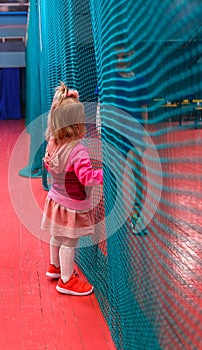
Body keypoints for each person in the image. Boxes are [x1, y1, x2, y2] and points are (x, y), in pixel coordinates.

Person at [41, 81, 103, 296]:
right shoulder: (78, 151)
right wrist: (105, 175)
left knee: (56, 234)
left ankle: (54, 267)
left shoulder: (52, 142)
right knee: (70, 241)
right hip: (72, 205)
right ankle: (66, 281)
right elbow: (86, 178)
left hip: (55, 199)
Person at [96, 42, 149, 235]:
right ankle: (115, 216)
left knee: (137, 176)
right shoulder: (108, 81)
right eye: (118, 55)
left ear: (132, 53)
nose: (122, 58)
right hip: (114, 137)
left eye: (125, 54)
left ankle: (136, 215)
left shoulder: (140, 80)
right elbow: (100, 108)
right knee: (115, 177)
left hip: (134, 137)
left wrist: (144, 136)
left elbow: (144, 110)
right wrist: (101, 130)